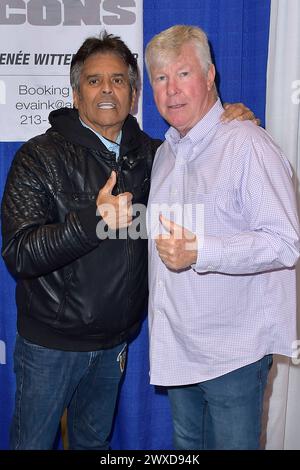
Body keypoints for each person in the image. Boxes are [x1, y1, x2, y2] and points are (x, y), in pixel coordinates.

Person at [1, 30, 257, 450]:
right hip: (50, 345)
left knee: (93, 444)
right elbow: (20, 254)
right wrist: (93, 221)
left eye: (118, 80)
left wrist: (232, 118)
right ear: (76, 92)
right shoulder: (38, 156)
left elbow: (205, 143)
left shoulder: (158, 156)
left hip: (113, 345)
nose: (107, 89)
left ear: (134, 94)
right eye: (95, 80)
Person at [145, 25, 300, 450]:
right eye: (160, 78)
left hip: (233, 353)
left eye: (183, 74)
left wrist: (201, 251)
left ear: (210, 75)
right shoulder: (164, 155)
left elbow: (285, 241)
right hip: (180, 350)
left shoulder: (246, 143)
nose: (171, 90)